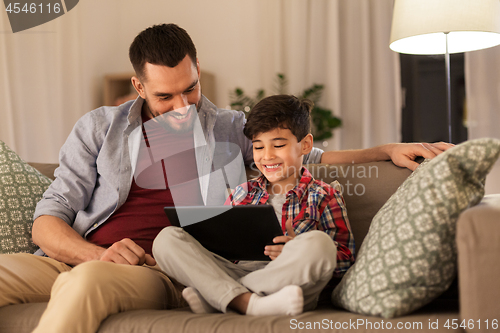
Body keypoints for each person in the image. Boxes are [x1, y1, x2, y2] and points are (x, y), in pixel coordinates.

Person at [0, 23, 450, 333]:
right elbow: (48, 219)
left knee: (85, 283)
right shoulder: (99, 127)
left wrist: (386, 150)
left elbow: (307, 156)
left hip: (152, 270)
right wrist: (94, 253)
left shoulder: (230, 128)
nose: (182, 106)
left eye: (190, 88)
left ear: (198, 69)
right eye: (165, 96)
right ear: (138, 87)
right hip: (81, 255)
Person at [152, 94, 355, 316]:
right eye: (258, 147)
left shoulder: (325, 195)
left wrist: (296, 247)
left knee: (320, 244)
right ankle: (247, 302)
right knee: (166, 238)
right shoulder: (241, 193)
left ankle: (225, 297)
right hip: (235, 270)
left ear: (305, 145)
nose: (267, 156)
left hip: (288, 277)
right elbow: (219, 250)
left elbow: (345, 259)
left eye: (278, 145)